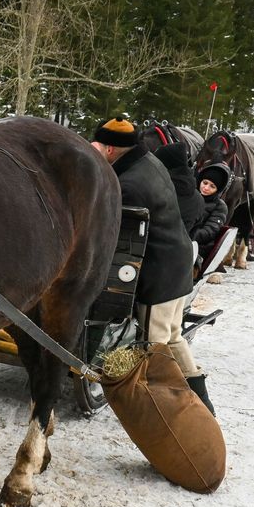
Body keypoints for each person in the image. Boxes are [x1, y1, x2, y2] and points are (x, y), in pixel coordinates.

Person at [91, 118, 213, 413]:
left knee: (154, 345)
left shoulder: (129, 185)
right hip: (178, 263)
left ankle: (172, 408)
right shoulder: (148, 162)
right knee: (172, 336)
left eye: (95, 147)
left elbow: (122, 241)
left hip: (159, 274)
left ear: (110, 149)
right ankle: (202, 402)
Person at [193, 163, 231, 259]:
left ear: (218, 190)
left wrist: (186, 236)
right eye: (205, 183)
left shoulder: (220, 206)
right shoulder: (190, 197)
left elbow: (209, 232)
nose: (206, 188)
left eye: (212, 186)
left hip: (201, 247)